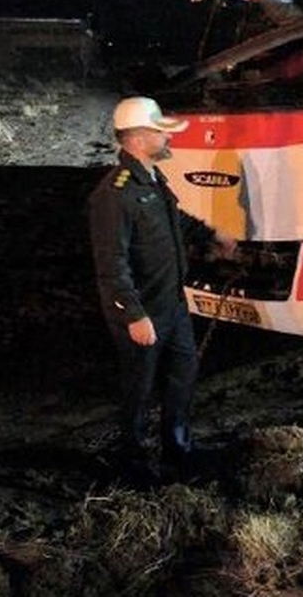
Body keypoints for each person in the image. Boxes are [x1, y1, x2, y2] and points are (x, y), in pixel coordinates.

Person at [88, 95, 236, 481]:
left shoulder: (152, 181)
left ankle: (179, 448)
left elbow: (175, 223)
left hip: (172, 303)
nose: (167, 140)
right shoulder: (114, 194)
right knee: (139, 387)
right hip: (142, 311)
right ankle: (133, 463)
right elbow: (111, 265)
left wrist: (212, 235)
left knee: (183, 373)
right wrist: (133, 316)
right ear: (137, 139)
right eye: (159, 133)